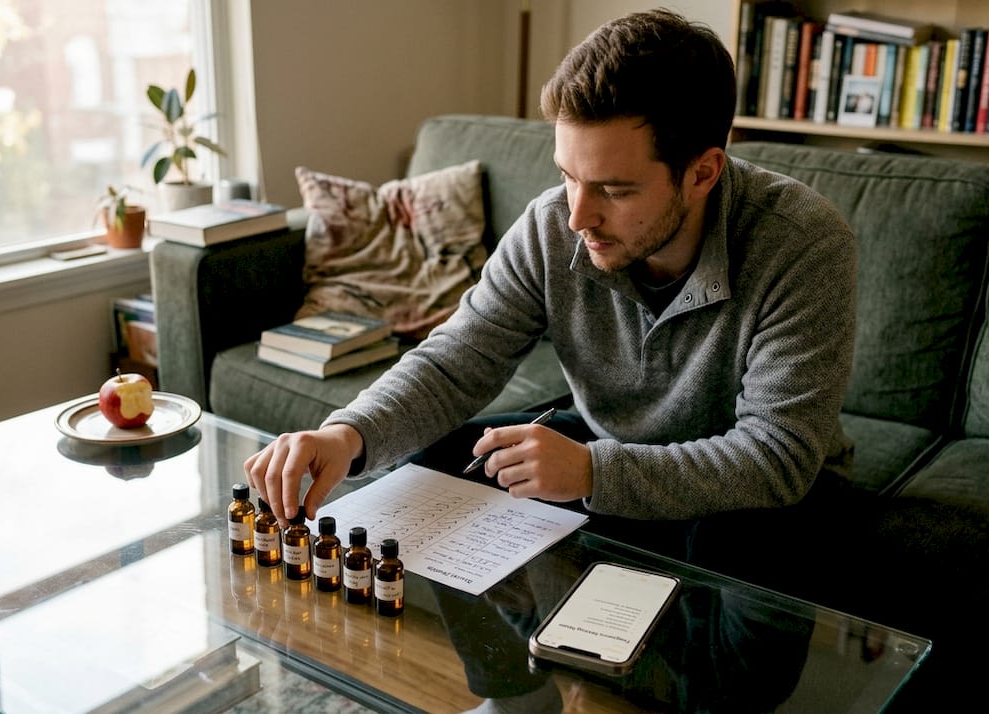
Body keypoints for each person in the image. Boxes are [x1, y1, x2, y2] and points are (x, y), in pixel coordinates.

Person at [245, 8, 856, 535]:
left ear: (702, 173)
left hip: (750, 488)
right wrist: (347, 435)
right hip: (608, 447)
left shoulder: (800, 243)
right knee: (434, 466)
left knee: (736, 546)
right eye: (568, 176)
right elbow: (459, 359)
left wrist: (591, 472)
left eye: (614, 189)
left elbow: (776, 455)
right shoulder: (551, 224)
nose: (577, 217)